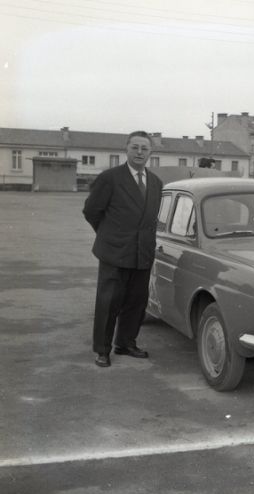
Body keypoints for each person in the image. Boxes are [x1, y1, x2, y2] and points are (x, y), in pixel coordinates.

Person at [83, 131, 163, 367]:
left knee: (136, 302)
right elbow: (91, 211)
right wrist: (109, 235)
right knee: (109, 302)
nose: (139, 152)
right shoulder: (110, 178)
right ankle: (102, 350)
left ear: (150, 153)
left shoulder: (156, 182)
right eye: (135, 147)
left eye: (144, 148)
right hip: (114, 252)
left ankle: (126, 343)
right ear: (126, 149)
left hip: (142, 252)